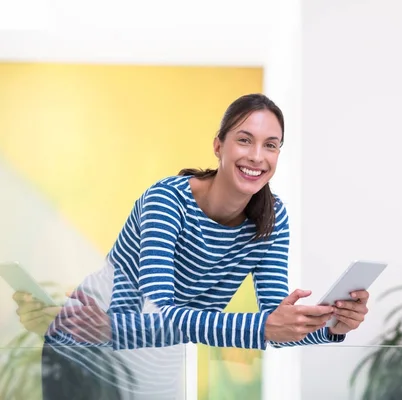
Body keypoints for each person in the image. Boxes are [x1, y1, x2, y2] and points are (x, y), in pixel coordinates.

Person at [12, 93, 370, 398]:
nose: (257, 156)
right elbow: (159, 312)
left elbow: (275, 327)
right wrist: (263, 327)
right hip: (87, 340)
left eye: (270, 145)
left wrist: (332, 327)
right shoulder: (167, 201)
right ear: (219, 145)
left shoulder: (272, 219)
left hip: (159, 355)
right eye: (244, 140)